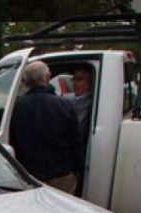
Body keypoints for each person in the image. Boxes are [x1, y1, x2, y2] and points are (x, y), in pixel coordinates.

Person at [10, 61, 84, 195]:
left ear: (26, 82)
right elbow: (76, 143)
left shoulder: (16, 107)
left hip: (29, 175)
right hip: (61, 176)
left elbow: (12, 141)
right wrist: (79, 170)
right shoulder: (66, 106)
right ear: (48, 77)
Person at [72, 67, 93, 135]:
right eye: (73, 79)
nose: (74, 83)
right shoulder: (72, 101)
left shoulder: (91, 103)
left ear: (90, 82)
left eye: (79, 79)